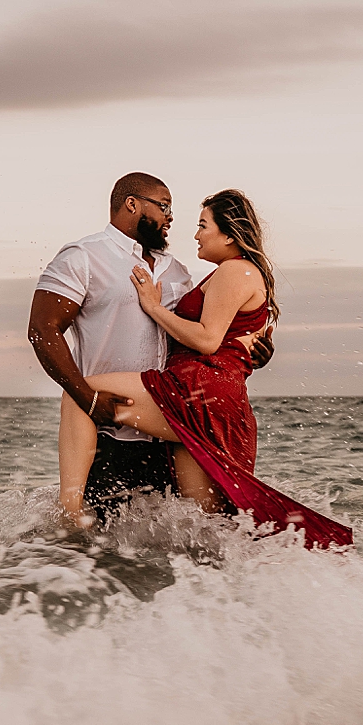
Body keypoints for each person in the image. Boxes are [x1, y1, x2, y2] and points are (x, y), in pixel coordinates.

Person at [58, 189, 353, 550]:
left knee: (82, 394)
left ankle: (70, 516)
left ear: (229, 234)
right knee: (208, 525)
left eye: (203, 225)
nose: (195, 234)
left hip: (198, 390)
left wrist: (153, 306)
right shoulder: (235, 273)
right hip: (214, 396)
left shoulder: (235, 270)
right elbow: (236, 340)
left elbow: (209, 340)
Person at [28, 173, 272, 525]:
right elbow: (42, 330)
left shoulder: (179, 273)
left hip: (171, 435)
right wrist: (88, 399)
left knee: (196, 537)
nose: (171, 218)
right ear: (132, 204)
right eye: (164, 207)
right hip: (109, 431)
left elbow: (207, 337)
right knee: (94, 554)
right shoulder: (84, 256)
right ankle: (69, 517)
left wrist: (254, 350)